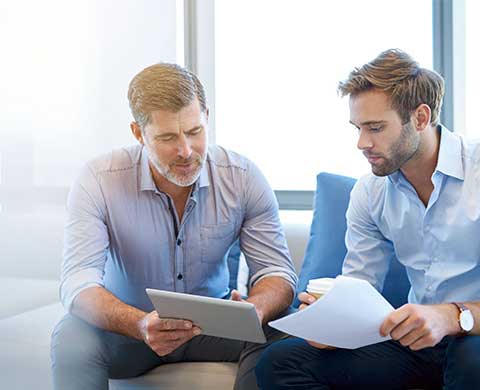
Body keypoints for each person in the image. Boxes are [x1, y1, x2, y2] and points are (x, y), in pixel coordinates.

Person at [50, 63, 297, 390]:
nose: (185, 151)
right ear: (138, 133)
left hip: (215, 329)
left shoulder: (243, 177)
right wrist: (139, 324)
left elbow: (277, 271)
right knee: (71, 336)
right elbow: (78, 282)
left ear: (206, 116)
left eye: (194, 132)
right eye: (167, 137)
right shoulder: (98, 180)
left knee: (285, 329)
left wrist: (255, 308)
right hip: (130, 330)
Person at [256, 49, 480, 389]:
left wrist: (451, 316)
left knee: (472, 360)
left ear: (421, 118)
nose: (362, 143)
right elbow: (360, 287)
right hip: (415, 343)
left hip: (473, 333)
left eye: (375, 128)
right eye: (358, 128)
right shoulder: (371, 192)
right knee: (279, 363)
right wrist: (331, 322)